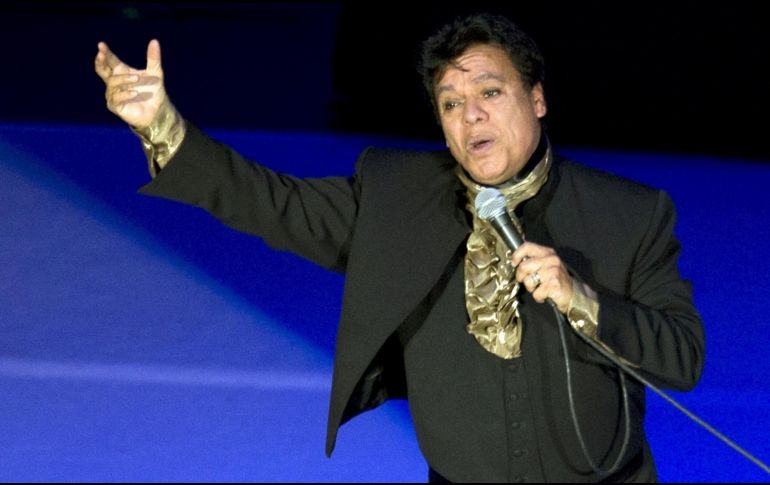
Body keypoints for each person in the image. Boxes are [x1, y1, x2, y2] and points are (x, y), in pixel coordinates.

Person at [94, 13, 704, 483]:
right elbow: (272, 202)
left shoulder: (630, 213)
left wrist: (581, 297)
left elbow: (683, 358)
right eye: (451, 104)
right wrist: (162, 125)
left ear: (537, 99)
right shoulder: (394, 198)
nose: (471, 117)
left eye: (491, 93)